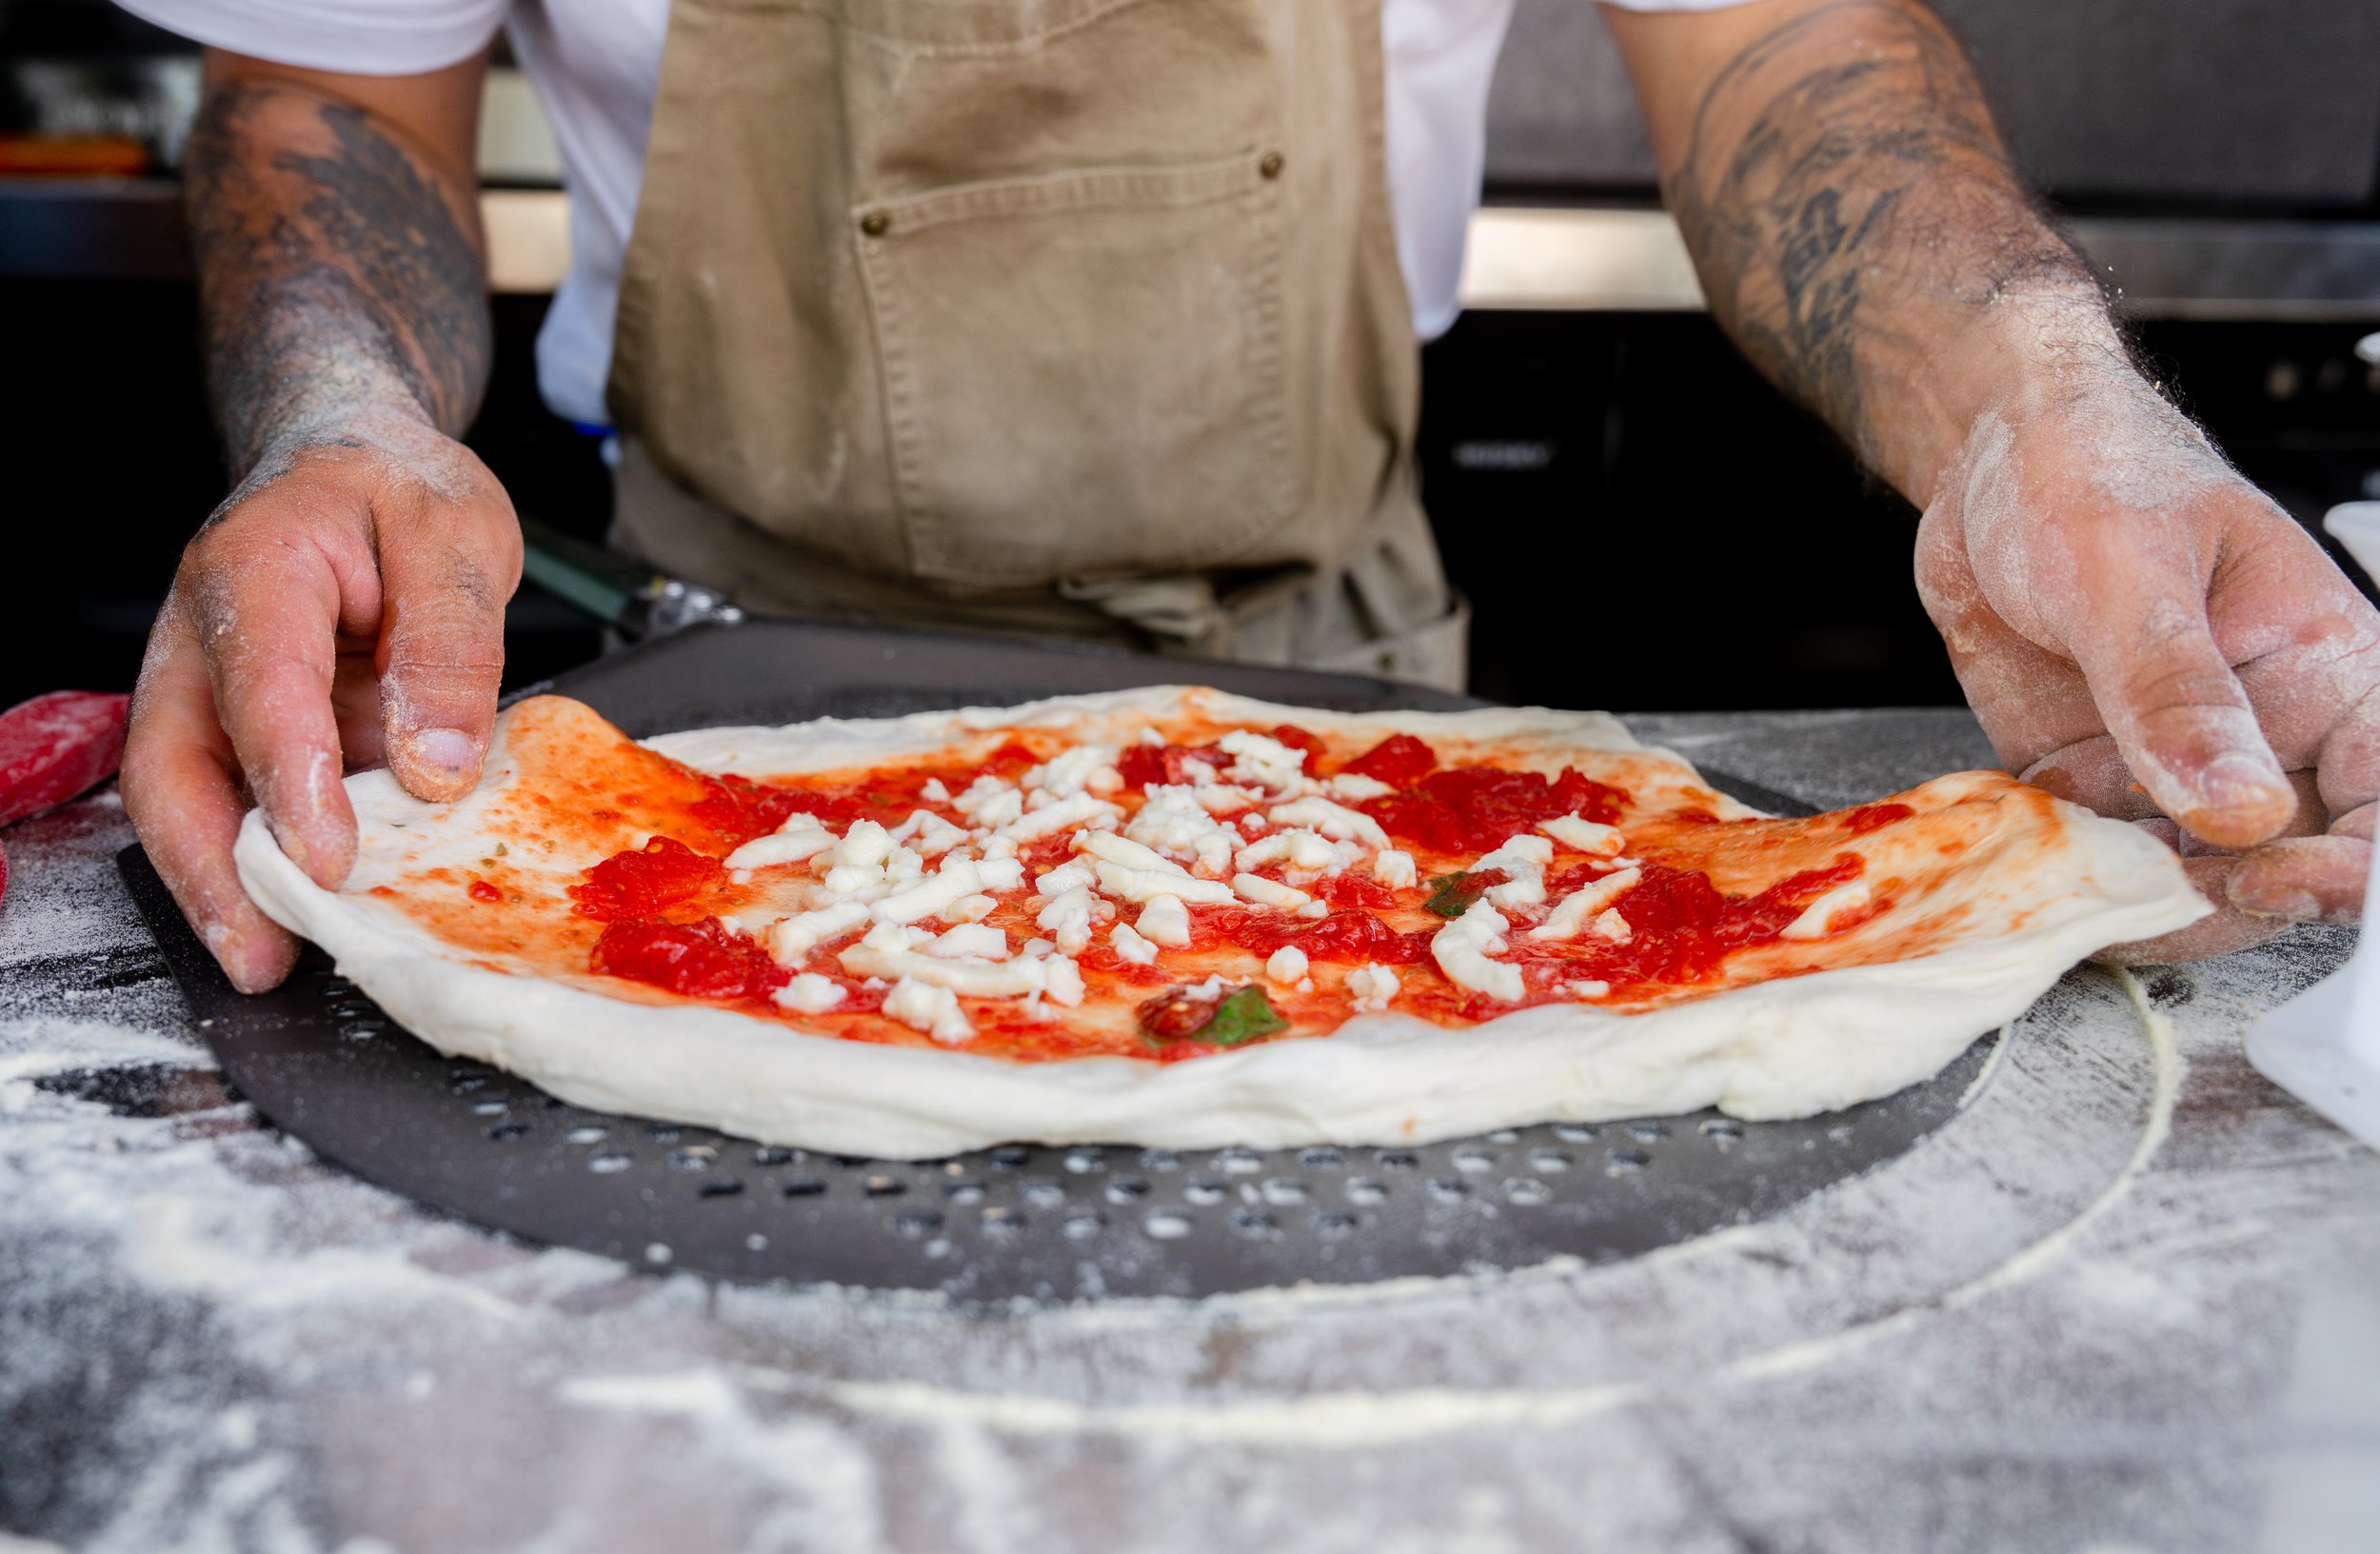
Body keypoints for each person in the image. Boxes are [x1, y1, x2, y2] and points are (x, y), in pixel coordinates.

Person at [115, 0, 2378, 994]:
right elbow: (325, 84)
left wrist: (2026, 394)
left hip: (1380, 770)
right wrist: (346, 417)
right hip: (701, 769)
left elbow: (1785, 47)